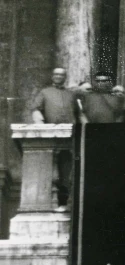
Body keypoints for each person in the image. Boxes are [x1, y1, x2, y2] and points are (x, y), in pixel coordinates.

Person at [31, 68, 79, 212]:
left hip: (71, 135)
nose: (59, 76)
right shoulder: (45, 93)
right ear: (52, 76)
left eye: (62, 74)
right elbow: (36, 109)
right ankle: (53, 203)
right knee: (52, 171)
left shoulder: (71, 94)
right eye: (56, 74)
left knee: (68, 171)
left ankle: (68, 202)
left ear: (65, 77)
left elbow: (79, 113)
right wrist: (40, 123)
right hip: (52, 136)